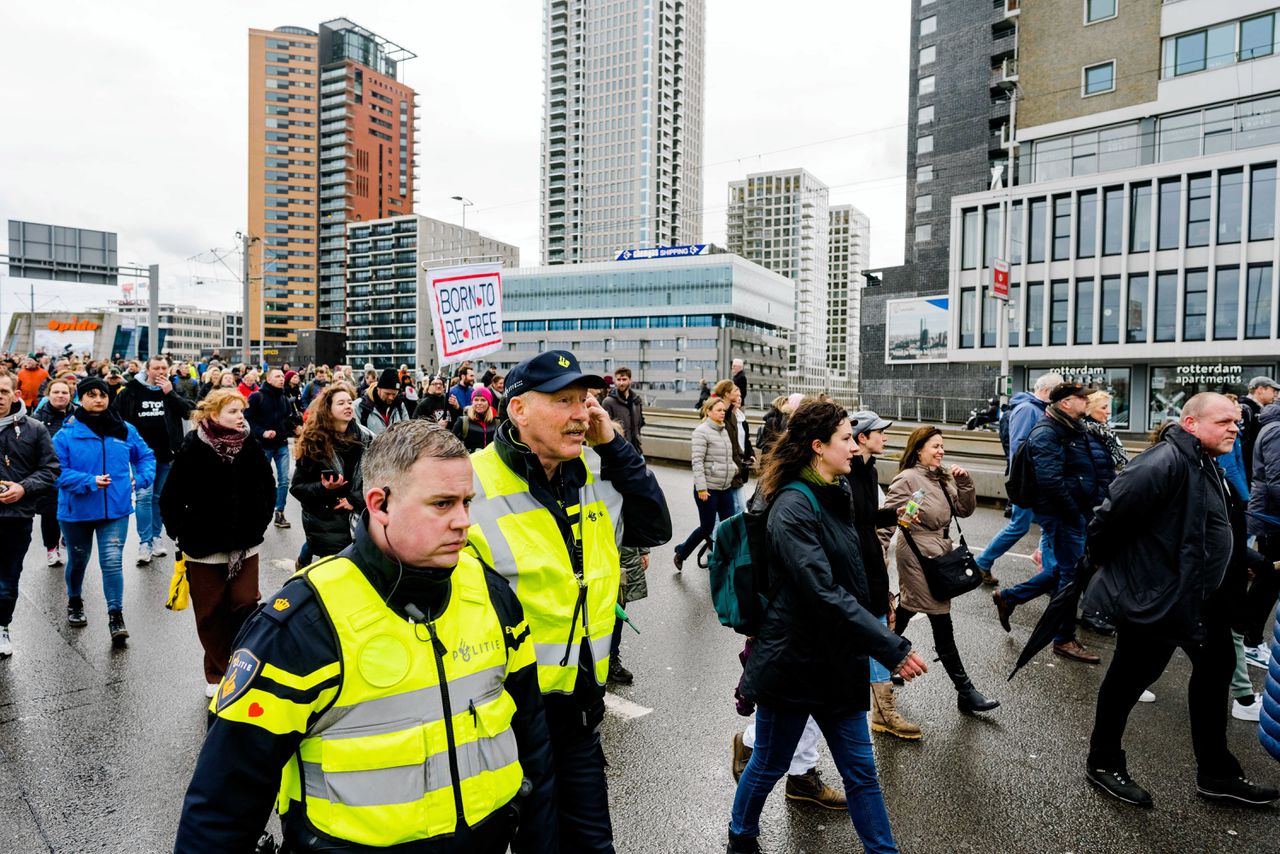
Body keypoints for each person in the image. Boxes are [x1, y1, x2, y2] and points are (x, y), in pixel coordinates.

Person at [175, 420, 557, 853]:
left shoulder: (491, 593)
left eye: (467, 502)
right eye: (443, 503)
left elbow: (533, 744)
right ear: (380, 504)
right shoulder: (303, 623)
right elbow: (223, 804)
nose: (463, 522)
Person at [464, 349, 671, 852]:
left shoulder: (594, 474)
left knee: (595, 845)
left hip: (580, 707)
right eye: (564, 401)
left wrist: (614, 444)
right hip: (508, 715)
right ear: (518, 410)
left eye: (586, 401)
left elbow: (654, 526)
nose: (582, 413)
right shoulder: (469, 481)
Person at [729, 401, 927, 854]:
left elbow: (850, 574)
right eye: (846, 438)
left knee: (861, 772)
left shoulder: (835, 491)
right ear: (819, 447)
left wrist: (881, 609)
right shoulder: (794, 504)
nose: (855, 448)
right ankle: (740, 838)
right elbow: (821, 591)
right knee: (769, 763)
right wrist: (890, 647)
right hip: (795, 663)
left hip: (837, 659)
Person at [1085, 392, 1279, 808]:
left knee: (1215, 673)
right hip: (1162, 599)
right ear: (1191, 424)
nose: (1235, 427)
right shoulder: (1161, 463)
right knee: (1130, 679)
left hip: (1202, 599)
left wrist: (1260, 564)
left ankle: (1217, 774)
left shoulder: (1207, 463)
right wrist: (1136, 580)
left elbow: (1210, 528)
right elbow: (1105, 524)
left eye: (1236, 422)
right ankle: (1103, 762)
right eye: (1224, 421)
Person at [160, 389, 275, 698]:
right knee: (210, 614)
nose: (241, 417)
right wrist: (180, 532)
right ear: (212, 415)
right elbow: (171, 496)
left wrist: (260, 520)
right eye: (233, 411)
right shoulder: (193, 446)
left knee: (245, 605)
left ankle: (243, 664)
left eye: (242, 411)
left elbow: (268, 484)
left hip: (245, 544)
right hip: (204, 546)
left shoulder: (249, 444)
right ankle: (217, 672)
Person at [880, 426, 997, 714]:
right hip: (916, 554)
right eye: (935, 446)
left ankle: (883, 658)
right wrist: (879, 557)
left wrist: (966, 482)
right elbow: (886, 522)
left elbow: (964, 510)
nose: (941, 451)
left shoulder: (941, 477)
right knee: (940, 618)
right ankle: (965, 690)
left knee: (907, 608)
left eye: (942, 446)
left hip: (940, 550)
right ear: (918, 449)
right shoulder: (907, 479)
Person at [992, 383, 1105, 664]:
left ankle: (1009, 597)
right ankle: (1063, 639)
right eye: (1082, 398)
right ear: (1066, 403)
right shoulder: (1048, 432)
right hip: (1062, 515)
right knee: (1071, 576)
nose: (1087, 402)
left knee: (1065, 570)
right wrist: (1075, 515)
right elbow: (1050, 482)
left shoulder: (1071, 427)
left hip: (1075, 512)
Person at [54, 376, 155, 645]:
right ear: (81, 398)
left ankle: (116, 616)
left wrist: (141, 478)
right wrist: (88, 482)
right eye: (92, 395)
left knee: (111, 562)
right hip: (77, 511)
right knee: (78, 560)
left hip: (116, 510)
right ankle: (75, 600)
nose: (98, 399)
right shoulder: (66, 434)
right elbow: (56, 472)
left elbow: (146, 457)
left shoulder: (124, 429)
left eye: (103, 395)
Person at [845, 410, 921, 740]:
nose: (885, 437)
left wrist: (896, 514)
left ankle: (882, 710)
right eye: (880, 432)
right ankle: (881, 711)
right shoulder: (845, 473)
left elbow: (866, 517)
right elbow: (849, 522)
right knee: (870, 630)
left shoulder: (868, 469)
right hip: (855, 563)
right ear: (862, 438)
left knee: (877, 623)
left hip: (870, 560)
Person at [974, 371, 1062, 586]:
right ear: (1046, 392)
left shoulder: (1037, 409)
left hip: (1035, 482)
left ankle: (1049, 574)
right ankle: (983, 562)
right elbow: (1020, 448)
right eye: (1059, 394)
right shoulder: (1027, 410)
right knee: (1020, 526)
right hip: (1028, 483)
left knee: (1048, 527)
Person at [0, 373, 60, 659]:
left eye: (3, 390)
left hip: (15, 516)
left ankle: (2, 627)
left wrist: (23, 488)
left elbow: (50, 470)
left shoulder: (34, 429)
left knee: (7, 578)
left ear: (16, 394)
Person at [114, 355, 192, 564]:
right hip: (141, 455)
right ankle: (144, 541)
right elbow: (116, 418)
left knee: (159, 497)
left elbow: (189, 411)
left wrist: (170, 394)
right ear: (147, 370)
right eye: (156, 368)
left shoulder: (173, 390)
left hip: (167, 452)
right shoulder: (131, 390)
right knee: (144, 497)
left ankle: (157, 537)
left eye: (164, 368)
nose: (160, 372)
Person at [290, 383, 368, 562]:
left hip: (360, 519)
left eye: (349, 402)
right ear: (328, 409)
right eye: (341, 403)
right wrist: (324, 487)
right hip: (327, 520)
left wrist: (354, 499)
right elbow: (297, 488)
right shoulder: (314, 442)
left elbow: (382, 481)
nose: (348, 406)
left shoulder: (367, 438)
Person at [1077, 390, 1128, 638]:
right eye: (1104, 408)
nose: (1108, 412)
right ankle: (1091, 613)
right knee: (1096, 560)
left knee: (1092, 560)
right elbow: (1093, 473)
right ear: (1090, 408)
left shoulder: (1103, 435)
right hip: (1095, 505)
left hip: (1102, 502)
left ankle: (1091, 609)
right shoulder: (1089, 434)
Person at [673, 397, 737, 572]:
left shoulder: (723, 430)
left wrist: (733, 469)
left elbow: (727, 458)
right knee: (706, 527)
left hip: (725, 488)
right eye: (718, 410)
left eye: (724, 410)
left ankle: (722, 560)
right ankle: (681, 551)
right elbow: (697, 462)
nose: (723, 412)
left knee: (728, 526)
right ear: (708, 412)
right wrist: (702, 488)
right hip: (708, 489)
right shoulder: (701, 432)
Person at [1245, 398, 1280, 669]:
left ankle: (1251, 638)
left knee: (1268, 581)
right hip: (1272, 518)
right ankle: (1251, 641)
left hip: (1272, 516)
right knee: (1268, 580)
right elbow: (1276, 481)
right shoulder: (1277, 430)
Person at [247, 368, 301, 529]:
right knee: (260, 481)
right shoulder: (257, 397)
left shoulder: (283, 398)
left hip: (281, 444)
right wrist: (262, 432)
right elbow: (247, 419)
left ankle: (280, 513)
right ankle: (256, 512)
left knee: (284, 480)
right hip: (263, 446)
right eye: (277, 376)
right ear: (268, 379)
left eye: (282, 376)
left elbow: (286, 419)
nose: (281, 379)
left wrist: (295, 428)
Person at [32, 377, 73, 566]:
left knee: (73, 509)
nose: (60, 395)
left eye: (64, 392)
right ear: (48, 395)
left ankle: (68, 539)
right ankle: (51, 549)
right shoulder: (37, 419)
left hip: (74, 471)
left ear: (70, 395)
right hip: (49, 472)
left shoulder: (80, 415)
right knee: (50, 513)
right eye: (56, 392)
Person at [714, 379, 754, 512]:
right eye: (736, 390)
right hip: (725, 469)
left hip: (735, 467)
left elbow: (741, 442)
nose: (739, 394)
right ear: (726, 394)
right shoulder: (721, 416)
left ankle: (733, 532)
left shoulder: (735, 417)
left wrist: (748, 456)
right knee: (724, 513)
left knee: (738, 509)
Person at [1240, 375, 1279, 483]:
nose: (1275, 395)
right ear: (1260, 389)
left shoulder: (1261, 409)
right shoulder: (1245, 408)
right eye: (1273, 390)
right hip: (1248, 466)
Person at [601, 367, 645, 455]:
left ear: (630, 380)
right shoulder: (608, 402)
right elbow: (605, 428)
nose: (621, 383)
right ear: (615, 381)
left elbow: (639, 423)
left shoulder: (636, 401)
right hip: (618, 451)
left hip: (636, 449)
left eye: (624, 379)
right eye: (618, 380)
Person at [357, 368, 411, 437]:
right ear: (378, 389)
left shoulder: (400, 406)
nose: (391, 397)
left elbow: (407, 433)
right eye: (387, 394)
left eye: (394, 394)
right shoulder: (360, 406)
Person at [452, 386, 498, 452]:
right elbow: (451, 445)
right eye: (476, 400)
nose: (479, 403)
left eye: (483, 400)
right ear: (472, 402)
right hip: (469, 461)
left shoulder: (497, 422)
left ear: (489, 403)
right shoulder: (463, 422)